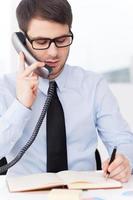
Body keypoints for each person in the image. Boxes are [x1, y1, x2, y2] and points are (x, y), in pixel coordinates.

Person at [0, 0, 133, 182]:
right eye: (41, 42)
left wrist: (124, 161)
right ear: (21, 42)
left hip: (84, 192)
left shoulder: (93, 85)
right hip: (23, 194)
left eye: (61, 40)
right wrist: (21, 106)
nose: (53, 52)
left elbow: (122, 140)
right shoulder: (4, 87)